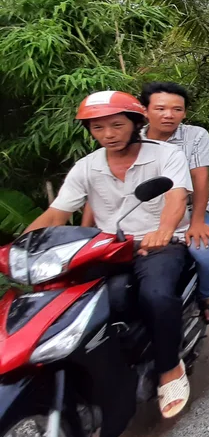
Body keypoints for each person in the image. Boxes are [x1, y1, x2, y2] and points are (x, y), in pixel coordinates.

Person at [26, 91, 193, 418]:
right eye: (98, 128)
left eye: (117, 125)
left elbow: (176, 198)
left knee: (157, 296)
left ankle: (170, 367)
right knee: (83, 304)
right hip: (108, 249)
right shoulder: (86, 168)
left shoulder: (166, 156)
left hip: (159, 243)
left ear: (135, 123)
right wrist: (23, 246)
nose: (109, 135)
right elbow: (57, 213)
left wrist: (163, 230)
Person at [139, 82, 209, 324]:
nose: (169, 115)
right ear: (145, 111)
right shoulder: (133, 141)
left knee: (205, 253)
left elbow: (201, 180)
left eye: (177, 109)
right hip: (148, 214)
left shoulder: (195, 135)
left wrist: (197, 221)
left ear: (185, 112)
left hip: (190, 209)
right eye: (160, 108)